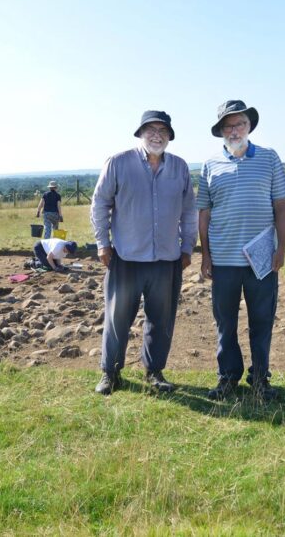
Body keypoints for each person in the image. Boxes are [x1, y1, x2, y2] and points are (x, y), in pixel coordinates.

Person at [91, 110, 197, 395]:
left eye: (163, 130)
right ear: (140, 133)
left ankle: (154, 372)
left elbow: (189, 211)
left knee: (161, 319)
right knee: (117, 318)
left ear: (170, 136)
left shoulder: (179, 168)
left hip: (166, 259)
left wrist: (187, 246)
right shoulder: (118, 163)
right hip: (126, 257)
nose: (157, 135)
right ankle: (110, 373)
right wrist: (103, 243)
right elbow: (100, 204)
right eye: (150, 129)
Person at [197, 100, 285, 402]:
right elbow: (204, 214)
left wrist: (281, 249)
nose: (234, 130)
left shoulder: (269, 158)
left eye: (239, 124)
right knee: (225, 323)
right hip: (224, 260)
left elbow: (280, 207)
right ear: (221, 131)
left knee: (261, 321)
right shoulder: (210, 165)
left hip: (262, 259)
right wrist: (206, 256)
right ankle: (228, 377)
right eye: (228, 126)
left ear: (249, 126)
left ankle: (260, 379)